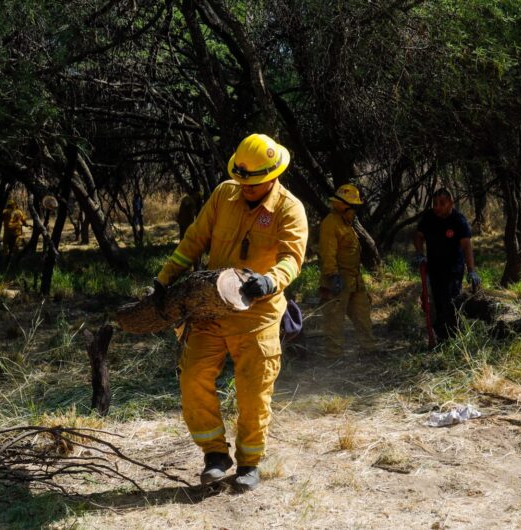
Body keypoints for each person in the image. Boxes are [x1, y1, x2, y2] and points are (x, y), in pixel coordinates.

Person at [152, 133, 308, 492]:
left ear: (272, 176)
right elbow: (194, 239)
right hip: (210, 310)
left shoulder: (289, 209)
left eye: (253, 183)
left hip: (258, 316)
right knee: (193, 377)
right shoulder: (225, 194)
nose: (245, 188)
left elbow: (292, 258)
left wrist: (270, 281)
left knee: (253, 391)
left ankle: (249, 462)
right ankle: (215, 455)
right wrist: (163, 278)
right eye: (241, 180)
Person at [413, 188, 481, 341]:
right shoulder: (428, 218)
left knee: (451, 302)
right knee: (435, 303)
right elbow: (418, 236)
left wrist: (471, 270)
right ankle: (439, 338)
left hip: (454, 270)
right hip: (433, 268)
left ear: (451, 203)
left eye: (442, 203)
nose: (437, 207)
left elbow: (466, 246)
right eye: (435, 203)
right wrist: (419, 253)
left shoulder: (459, 221)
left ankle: (454, 338)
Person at [318, 184, 376, 357]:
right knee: (334, 319)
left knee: (362, 314)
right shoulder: (331, 223)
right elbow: (328, 252)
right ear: (344, 205)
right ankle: (333, 356)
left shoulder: (348, 223)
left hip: (354, 280)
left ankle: (369, 349)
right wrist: (332, 275)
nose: (355, 210)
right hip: (337, 279)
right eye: (354, 206)